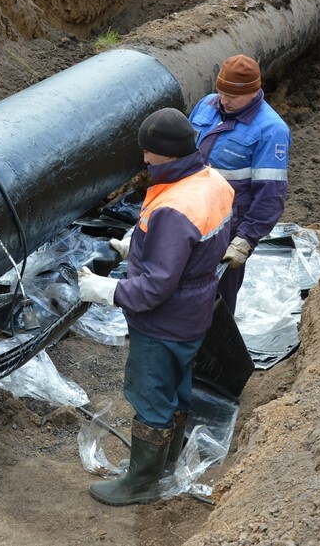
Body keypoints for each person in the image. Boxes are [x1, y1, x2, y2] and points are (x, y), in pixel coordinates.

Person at [77, 108, 234, 506]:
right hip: (195, 310)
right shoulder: (212, 181)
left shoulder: (174, 207)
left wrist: (103, 290)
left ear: (165, 154)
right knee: (177, 387)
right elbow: (194, 249)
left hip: (163, 320)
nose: (144, 159)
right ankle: (166, 464)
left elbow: (154, 288)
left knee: (150, 394)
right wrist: (139, 245)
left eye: (148, 153)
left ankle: (142, 481)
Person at [188, 54, 291, 316]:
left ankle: (210, 356)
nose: (223, 100)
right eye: (220, 91)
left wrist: (245, 240)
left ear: (254, 91)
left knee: (214, 303)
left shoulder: (271, 131)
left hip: (225, 234)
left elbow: (270, 196)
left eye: (232, 96)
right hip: (188, 220)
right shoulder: (206, 106)